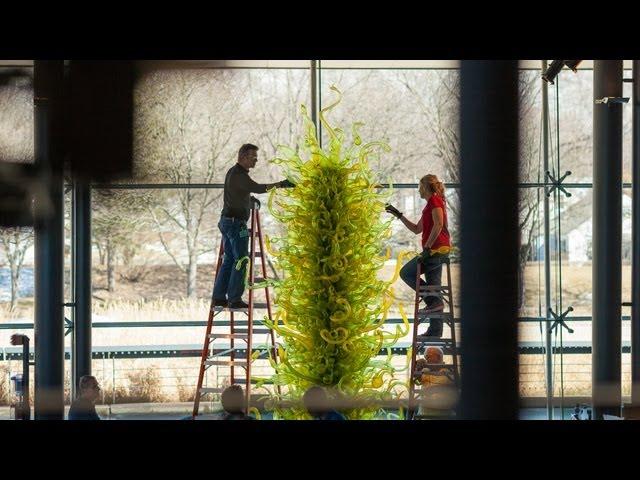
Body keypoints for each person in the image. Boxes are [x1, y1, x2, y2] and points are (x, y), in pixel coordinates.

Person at [213, 144, 294, 309]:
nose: (256, 160)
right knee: (242, 259)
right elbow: (258, 188)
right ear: (242, 156)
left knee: (229, 260)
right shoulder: (239, 175)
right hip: (236, 224)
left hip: (227, 221)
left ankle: (220, 297)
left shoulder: (233, 173)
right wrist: (280, 184)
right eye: (253, 157)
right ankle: (234, 299)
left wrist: (249, 201)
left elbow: (236, 194)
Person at [386, 174, 451, 337]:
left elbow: (438, 224)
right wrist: (398, 215)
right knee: (433, 287)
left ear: (426, 187)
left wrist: (427, 248)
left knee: (406, 273)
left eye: (420, 186)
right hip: (435, 250)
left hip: (436, 250)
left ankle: (433, 301)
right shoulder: (430, 204)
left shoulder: (435, 201)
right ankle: (435, 331)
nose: (418, 189)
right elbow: (417, 229)